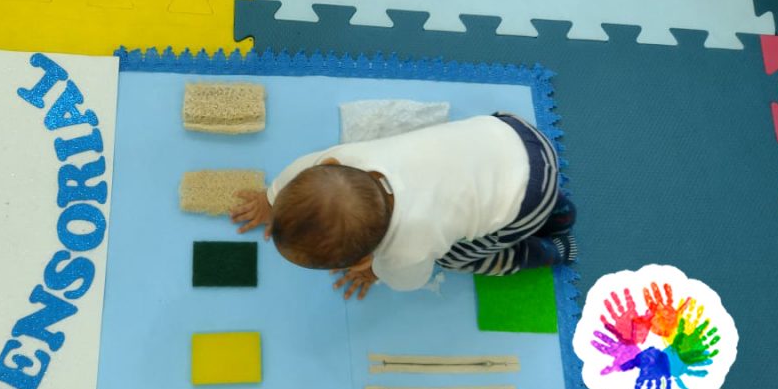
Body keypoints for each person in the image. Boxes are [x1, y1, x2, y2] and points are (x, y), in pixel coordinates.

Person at [230, 112, 576, 300]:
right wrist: (270, 197)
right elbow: (298, 168)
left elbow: (409, 280)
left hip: (525, 202)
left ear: (364, 258)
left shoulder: (408, 247)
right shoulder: (343, 160)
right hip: (514, 134)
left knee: (457, 258)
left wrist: (376, 271)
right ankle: (560, 213)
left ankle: (551, 250)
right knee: (498, 184)